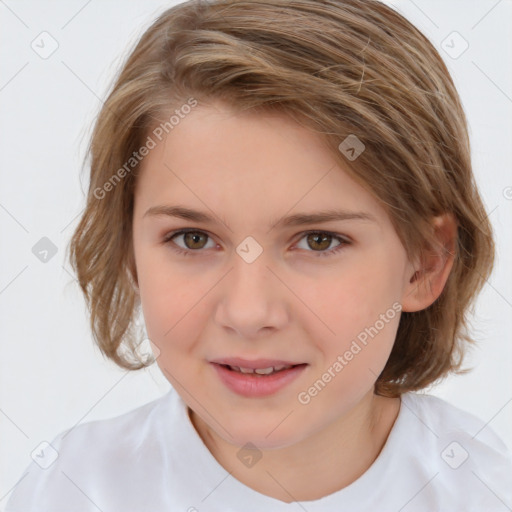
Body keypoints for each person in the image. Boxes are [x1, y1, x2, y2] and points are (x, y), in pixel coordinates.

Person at [6, 0, 511, 510]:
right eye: (193, 239)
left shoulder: (487, 492)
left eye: (319, 240)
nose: (248, 314)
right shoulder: (71, 491)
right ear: (130, 251)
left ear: (424, 263)